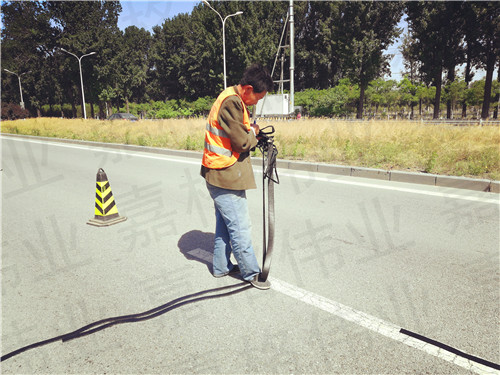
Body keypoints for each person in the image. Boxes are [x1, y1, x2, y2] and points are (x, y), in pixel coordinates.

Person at [201, 63, 274, 290]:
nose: (257, 102)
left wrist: (250, 131)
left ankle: (221, 267)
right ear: (248, 88)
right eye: (258, 98)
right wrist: (253, 133)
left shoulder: (234, 99)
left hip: (221, 172)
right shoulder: (232, 102)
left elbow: (238, 134)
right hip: (225, 174)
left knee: (225, 224)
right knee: (240, 227)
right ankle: (251, 273)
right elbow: (242, 141)